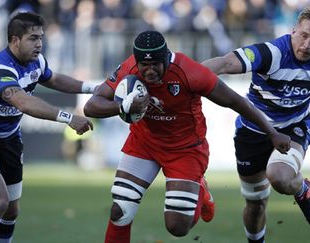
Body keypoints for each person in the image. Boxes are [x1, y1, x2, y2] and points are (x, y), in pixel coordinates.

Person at [83, 30, 291, 243]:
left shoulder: (190, 72)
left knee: (177, 226)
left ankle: (200, 189)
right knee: (121, 208)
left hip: (185, 150)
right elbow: (91, 106)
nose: (150, 70)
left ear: (166, 57)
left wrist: (272, 133)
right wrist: (122, 105)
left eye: (156, 63)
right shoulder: (129, 67)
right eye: (144, 65)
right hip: (144, 143)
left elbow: (235, 101)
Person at [202, 5, 310, 243]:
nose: (307, 45)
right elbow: (225, 63)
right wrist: (190, 76)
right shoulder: (272, 53)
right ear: (293, 31)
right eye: (304, 36)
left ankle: (303, 189)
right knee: (255, 205)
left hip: (293, 128)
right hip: (252, 132)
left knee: (280, 177)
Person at [0, 12, 96, 243]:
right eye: (32, 38)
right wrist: (69, 118)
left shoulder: (36, 61)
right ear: (14, 40)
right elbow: (24, 102)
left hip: (9, 139)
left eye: (41, 37)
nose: (39, 44)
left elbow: (55, 79)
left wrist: (95, 88)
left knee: (11, 211)